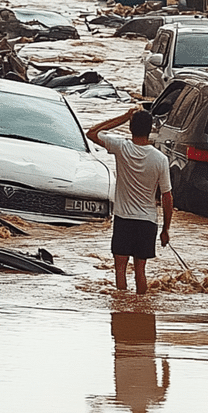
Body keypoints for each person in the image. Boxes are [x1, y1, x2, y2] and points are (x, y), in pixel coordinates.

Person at [86, 106, 173, 295]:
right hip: (148, 222)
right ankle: (140, 311)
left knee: (120, 270)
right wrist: (165, 229)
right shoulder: (160, 159)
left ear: (130, 128)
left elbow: (92, 132)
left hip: (124, 219)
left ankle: (122, 312)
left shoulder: (121, 147)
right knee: (140, 271)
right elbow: (167, 197)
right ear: (150, 130)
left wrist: (125, 116)